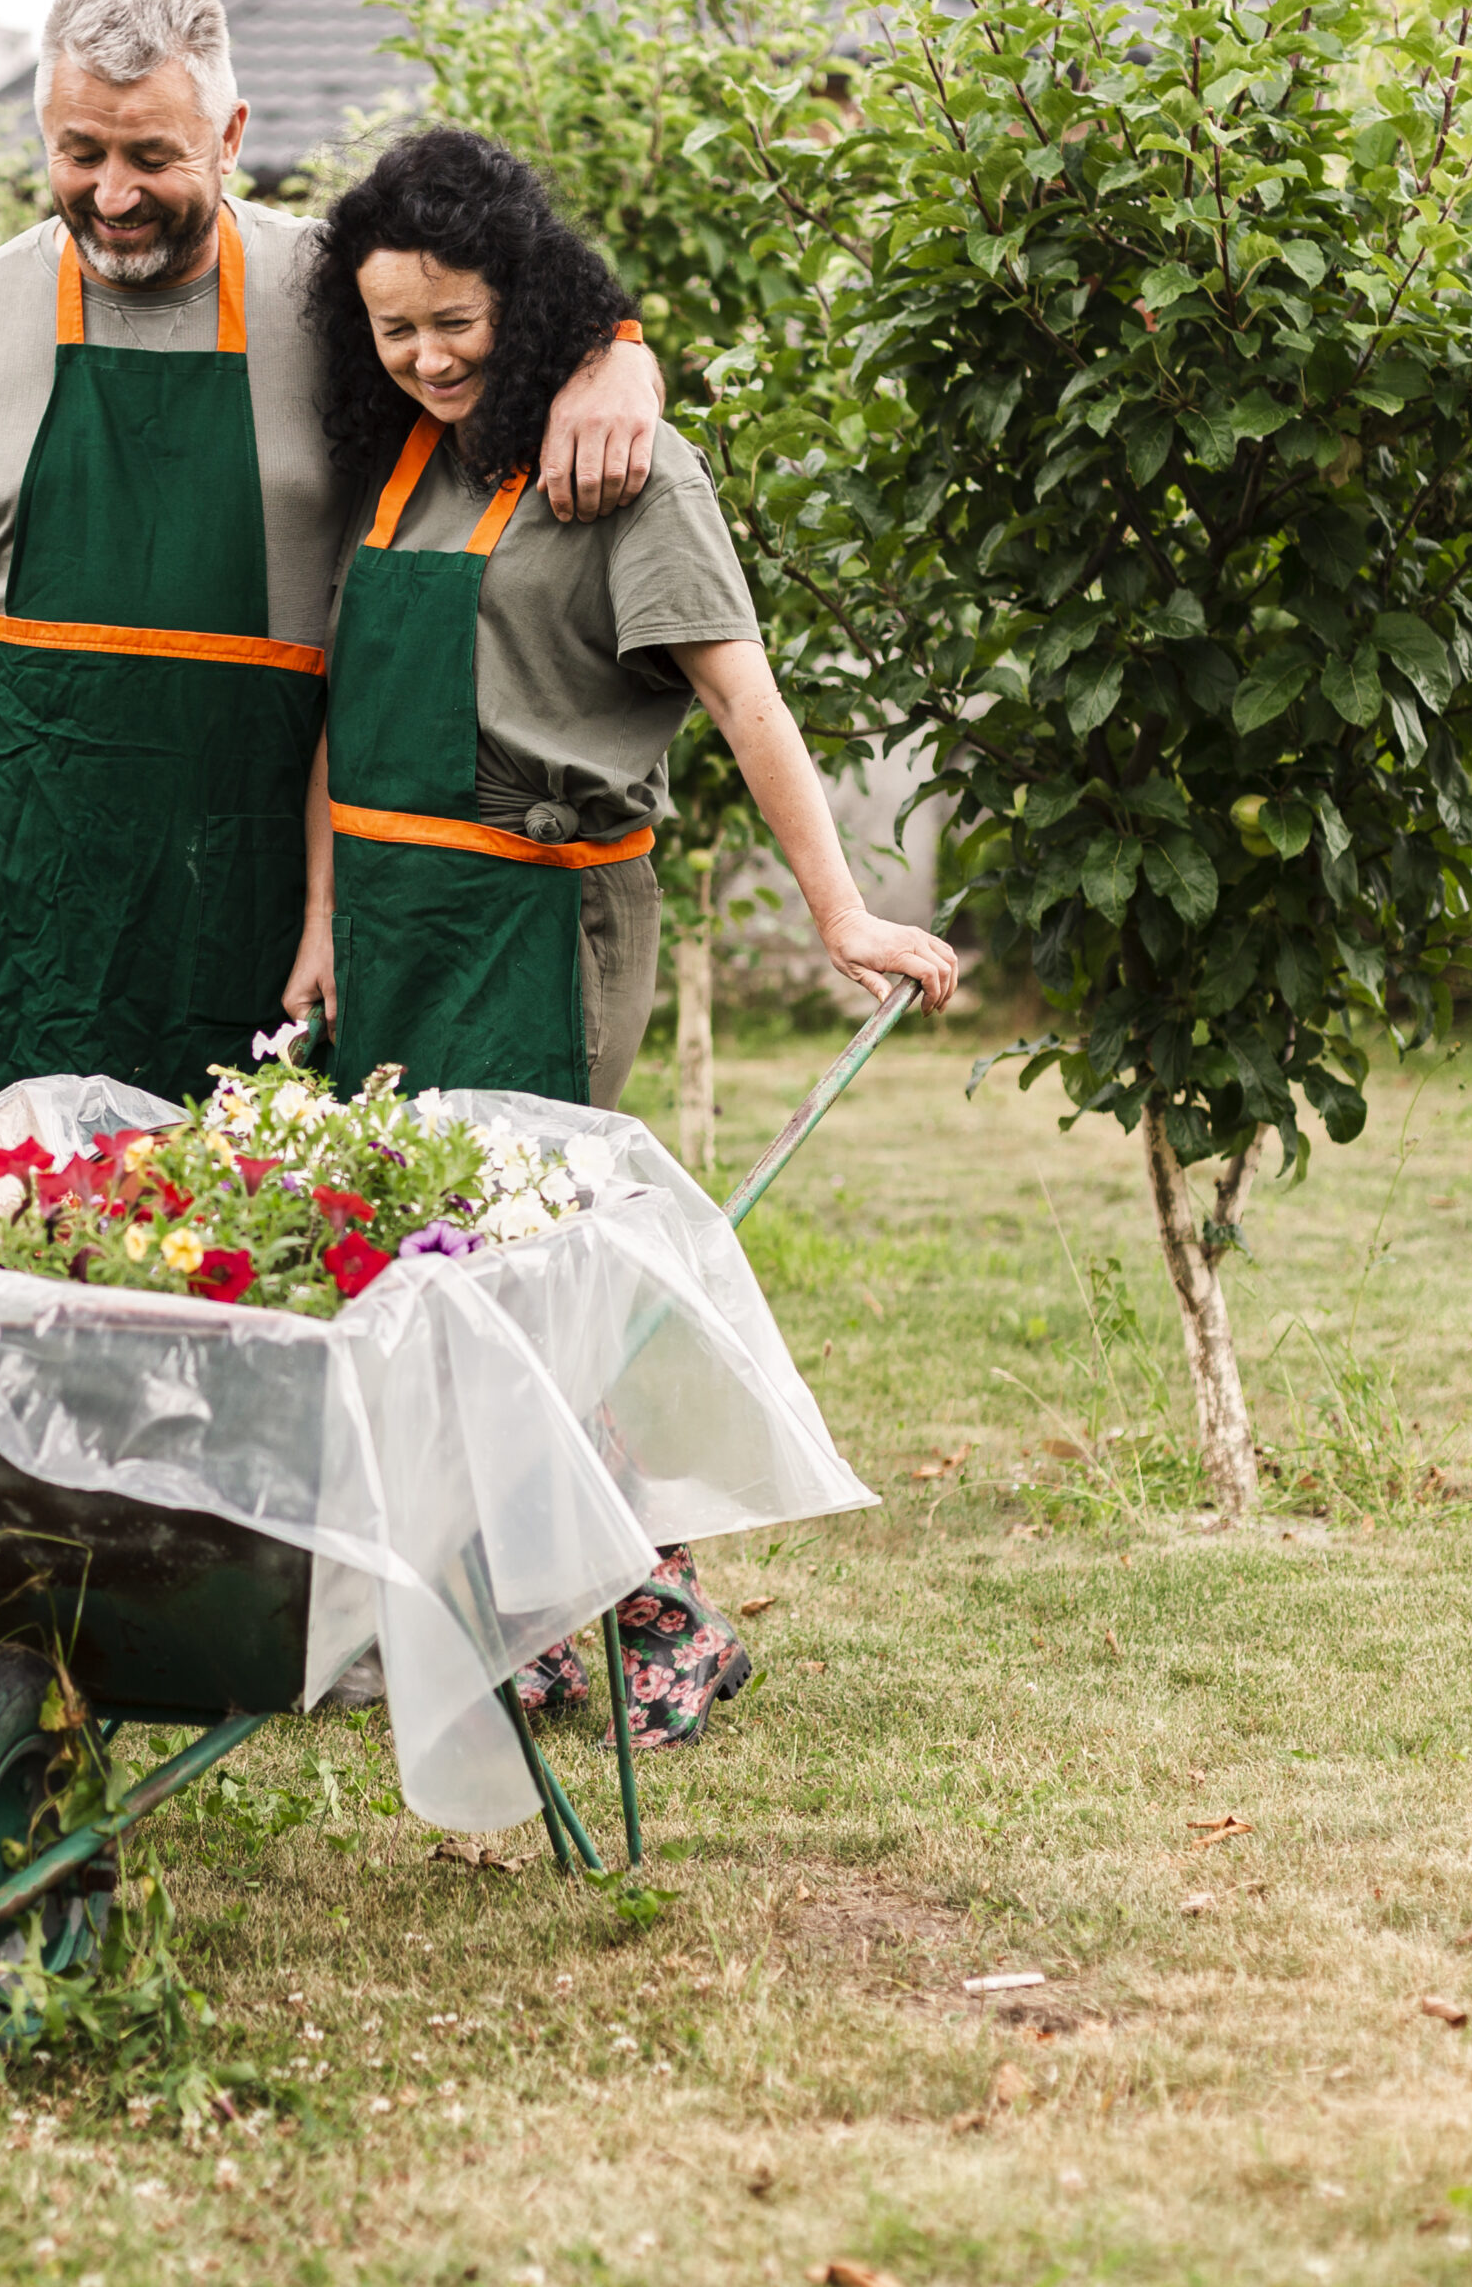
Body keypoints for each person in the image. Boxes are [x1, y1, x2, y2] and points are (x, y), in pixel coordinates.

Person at [283, 128, 960, 1748]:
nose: (432, 356)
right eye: (398, 327)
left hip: (537, 911)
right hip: (387, 922)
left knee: (535, 1284)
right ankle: (529, 1617)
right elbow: (338, 721)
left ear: (532, 300)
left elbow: (744, 697)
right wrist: (317, 921)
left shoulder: (624, 471)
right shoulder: (398, 461)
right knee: (424, 1281)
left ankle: (664, 1611)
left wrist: (845, 909)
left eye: (460, 319)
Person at [0, 0, 666, 1119]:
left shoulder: (336, 297)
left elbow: (501, 333)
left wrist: (618, 355)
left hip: (280, 883)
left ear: (231, 134)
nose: (110, 193)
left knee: (279, 1222)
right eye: (78, 151)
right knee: (24, 1215)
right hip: (37, 890)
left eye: (151, 156)